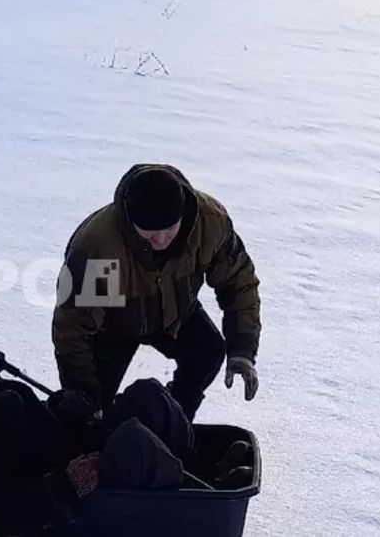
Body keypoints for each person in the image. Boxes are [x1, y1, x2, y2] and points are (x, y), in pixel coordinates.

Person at [0, 344, 209, 537]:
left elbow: (38, 432)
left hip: (70, 453)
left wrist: (64, 410)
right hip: (66, 504)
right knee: (132, 445)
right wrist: (67, 485)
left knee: (148, 394)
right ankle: (200, 511)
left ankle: (202, 473)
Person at [53, 164, 261, 421]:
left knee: (207, 352)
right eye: (149, 235)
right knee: (89, 414)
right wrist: (81, 391)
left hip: (176, 310)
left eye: (170, 230)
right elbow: (74, 326)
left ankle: (172, 421)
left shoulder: (209, 223)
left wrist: (242, 348)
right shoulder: (99, 245)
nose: (162, 240)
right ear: (130, 221)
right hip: (111, 324)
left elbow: (238, 283)